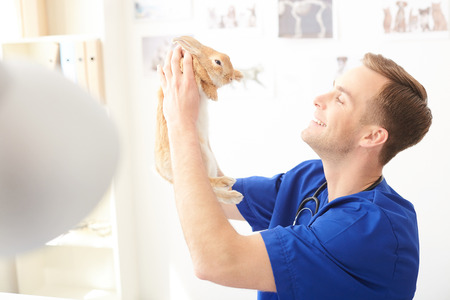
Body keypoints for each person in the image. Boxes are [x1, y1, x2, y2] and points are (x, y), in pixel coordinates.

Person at [157, 45, 432, 300]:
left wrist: (181, 123)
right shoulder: (311, 179)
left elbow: (215, 260)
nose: (318, 99)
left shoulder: (370, 229)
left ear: (372, 136)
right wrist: (192, 112)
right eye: (332, 88)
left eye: (340, 99)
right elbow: (214, 194)